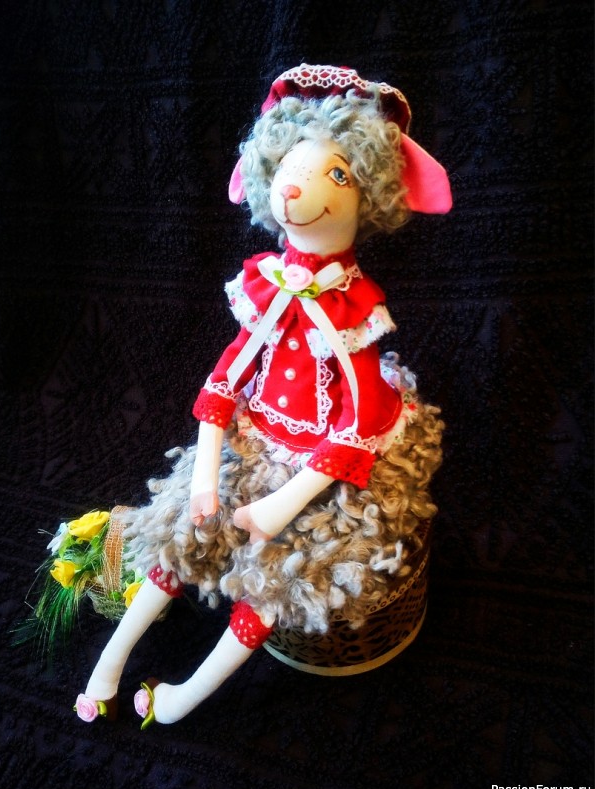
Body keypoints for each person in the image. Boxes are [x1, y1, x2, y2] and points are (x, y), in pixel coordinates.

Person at [74, 64, 451, 728]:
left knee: (278, 580)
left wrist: (283, 502)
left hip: (321, 461)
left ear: (372, 195)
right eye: (289, 166)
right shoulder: (266, 285)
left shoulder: (354, 311)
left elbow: (360, 423)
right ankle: (107, 664)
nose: (295, 187)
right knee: (181, 538)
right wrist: (204, 475)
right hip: (259, 434)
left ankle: (184, 697)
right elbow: (224, 380)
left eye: (337, 175)